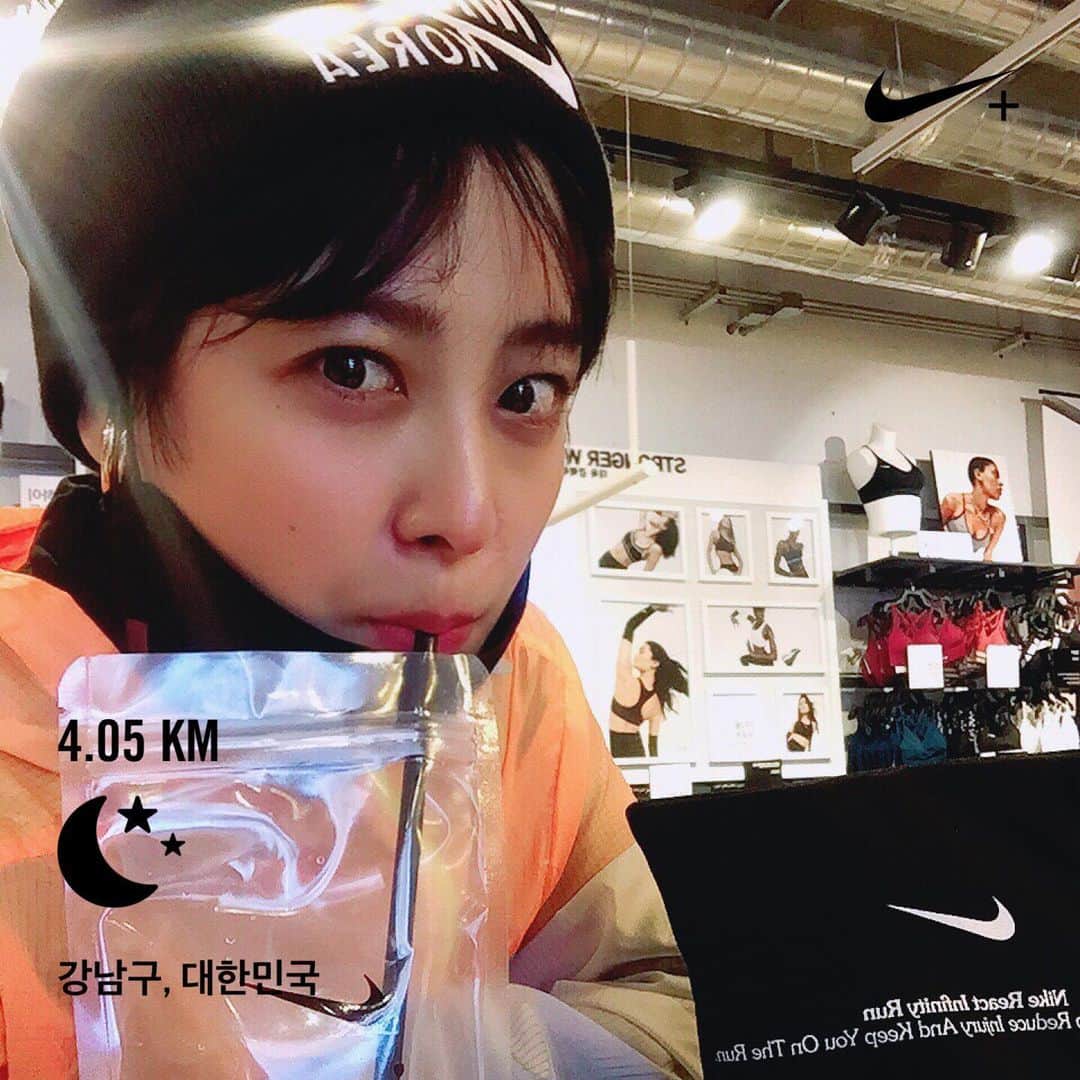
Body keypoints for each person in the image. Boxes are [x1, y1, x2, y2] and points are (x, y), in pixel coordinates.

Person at [0, 2, 701, 1077]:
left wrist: (454, 1053)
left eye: (528, 391)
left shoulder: (519, 690)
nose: (468, 514)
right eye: (352, 368)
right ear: (108, 396)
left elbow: (662, 992)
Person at [608, 605, 689, 759]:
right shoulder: (656, 704)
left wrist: (652, 608)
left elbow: (630, 626)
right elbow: (653, 751)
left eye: (642, 651)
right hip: (634, 756)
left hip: (622, 757)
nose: (636, 655)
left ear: (654, 663)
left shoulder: (624, 676)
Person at [940, 456, 1008, 563]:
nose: (1000, 482)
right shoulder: (953, 501)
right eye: (995, 474)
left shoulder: (997, 517)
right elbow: (934, 536)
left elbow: (988, 556)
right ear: (978, 474)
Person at [598, 509, 679, 572]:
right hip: (605, 557)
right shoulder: (642, 528)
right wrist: (663, 512)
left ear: (665, 527)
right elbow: (645, 505)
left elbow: (647, 573)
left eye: (661, 517)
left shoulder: (655, 548)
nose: (658, 516)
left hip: (616, 568)